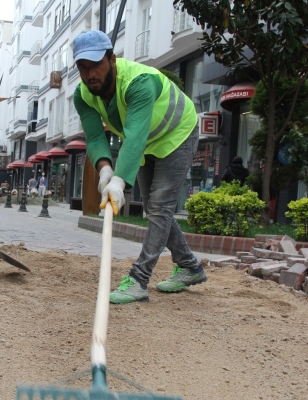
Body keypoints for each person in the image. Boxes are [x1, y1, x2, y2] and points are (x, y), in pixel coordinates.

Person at [72, 30, 207, 304]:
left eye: (96, 64)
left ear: (112, 59)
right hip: (146, 141)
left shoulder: (138, 82)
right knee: (155, 208)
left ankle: (138, 279)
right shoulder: (83, 94)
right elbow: (96, 136)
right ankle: (190, 267)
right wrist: (106, 170)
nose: (90, 74)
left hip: (177, 133)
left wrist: (120, 180)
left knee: (160, 206)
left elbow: (133, 135)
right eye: (83, 68)